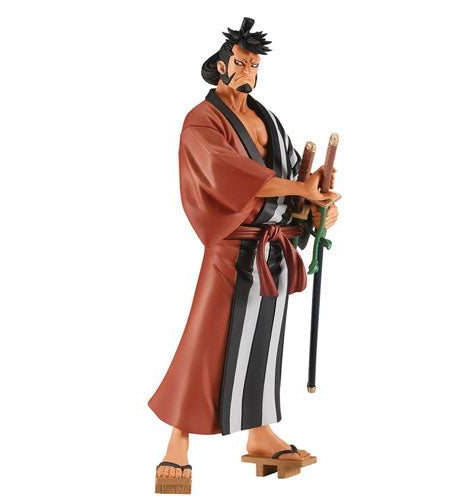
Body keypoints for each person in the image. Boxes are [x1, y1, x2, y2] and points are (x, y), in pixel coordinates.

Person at [148, 17, 339, 489]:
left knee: (264, 343)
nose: (248, 70)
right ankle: (177, 442)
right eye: (240, 62)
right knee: (208, 340)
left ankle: (260, 433)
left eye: (254, 64)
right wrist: (298, 188)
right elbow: (229, 173)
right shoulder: (201, 120)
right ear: (221, 65)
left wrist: (315, 206)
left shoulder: (267, 118)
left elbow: (293, 178)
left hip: (275, 247)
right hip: (233, 246)